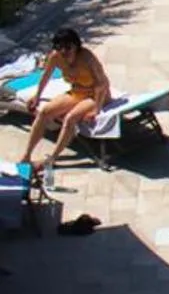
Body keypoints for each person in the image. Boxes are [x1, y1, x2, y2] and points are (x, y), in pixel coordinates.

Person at [20, 28, 110, 185]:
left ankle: (52, 159)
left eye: (68, 47)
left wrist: (97, 109)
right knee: (44, 112)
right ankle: (26, 155)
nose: (64, 51)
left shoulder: (87, 58)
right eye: (59, 47)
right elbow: (45, 76)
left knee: (70, 119)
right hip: (76, 92)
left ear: (76, 46)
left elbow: (102, 83)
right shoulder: (56, 57)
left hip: (96, 95)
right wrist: (37, 96)